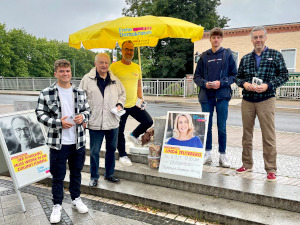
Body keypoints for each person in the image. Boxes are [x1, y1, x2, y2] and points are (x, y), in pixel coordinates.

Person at [36, 59, 91, 223]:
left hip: (78, 141)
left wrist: (83, 117)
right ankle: (57, 205)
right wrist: (58, 123)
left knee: (76, 173)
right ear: (55, 73)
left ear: (70, 73)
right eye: (61, 71)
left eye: (67, 71)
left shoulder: (80, 92)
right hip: (58, 143)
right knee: (58, 176)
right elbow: (40, 114)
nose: (65, 74)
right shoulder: (46, 93)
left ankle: (76, 199)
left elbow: (88, 110)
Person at [235, 26, 289, 181]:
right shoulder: (245, 58)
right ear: (251, 39)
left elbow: (284, 75)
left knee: (268, 136)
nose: (258, 40)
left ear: (265, 38)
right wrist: (244, 84)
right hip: (248, 101)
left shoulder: (275, 55)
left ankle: (271, 169)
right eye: (255, 37)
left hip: (267, 100)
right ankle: (247, 164)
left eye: (260, 37)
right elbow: (238, 78)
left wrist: (269, 85)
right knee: (247, 135)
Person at [80, 53, 126, 187]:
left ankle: (109, 174)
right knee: (94, 151)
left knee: (111, 149)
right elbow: (80, 99)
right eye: (101, 62)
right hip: (95, 122)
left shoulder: (115, 80)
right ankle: (94, 177)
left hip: (112, 121)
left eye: (106, 63)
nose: (104, 65)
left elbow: (122, 94)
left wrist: (119, 104)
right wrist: (83, 117)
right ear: (95, 64)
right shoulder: (87, 79)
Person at [193, 27, 237, 168]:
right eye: (213, 37)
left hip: (222, 96)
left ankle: (222, 155)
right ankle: (207, 153)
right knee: (206, 126)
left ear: (221, 39)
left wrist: (221, 83)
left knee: (222, 126)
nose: (216, 39)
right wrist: (206, 84)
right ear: (210, 39)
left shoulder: (227, 55)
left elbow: (234, 76)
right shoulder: (204, 57)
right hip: (206, 96)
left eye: (218, 37)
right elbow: (196, 77)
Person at [109, 40, 153, 166]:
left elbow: (139, 85)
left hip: (134, 104)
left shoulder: (136, 67)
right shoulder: (114, 67)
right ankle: (122, 154)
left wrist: (141, 99)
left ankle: (134, 134)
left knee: (148, 121)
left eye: (131, 50)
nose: (129, 52)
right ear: (122, 51)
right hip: (120, 104)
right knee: (119, 131)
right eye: (126, 49)